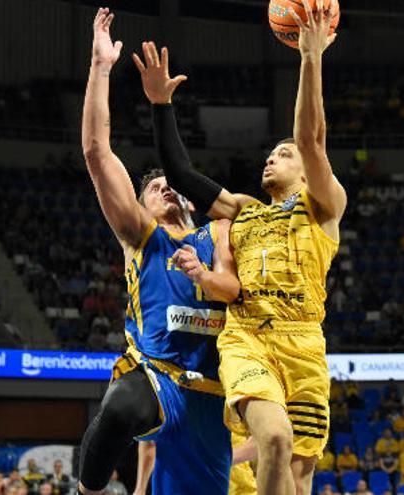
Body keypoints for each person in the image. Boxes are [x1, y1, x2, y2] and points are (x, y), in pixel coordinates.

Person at [138, 3, 346, 493]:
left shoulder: (324, 205)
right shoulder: (241, 210)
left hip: (305, 343)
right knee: (274, 438)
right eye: (270, 154)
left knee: (298, 472)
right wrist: (160, 106)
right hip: (248, 335)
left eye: (283, 154)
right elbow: (184, 174)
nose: (273, 157)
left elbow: (311, 139)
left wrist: (310, 57)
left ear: (304, 170)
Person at [76, 9, 240, 495]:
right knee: (121, 407)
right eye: (155, 188)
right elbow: (95, 151)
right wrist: (101, 67)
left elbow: (235, 289)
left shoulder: (220, 232)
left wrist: (208, 276)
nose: (166, 190)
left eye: (173, 185)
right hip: (157, 375)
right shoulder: (143, 235)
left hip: (212, 394)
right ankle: (87, 491)